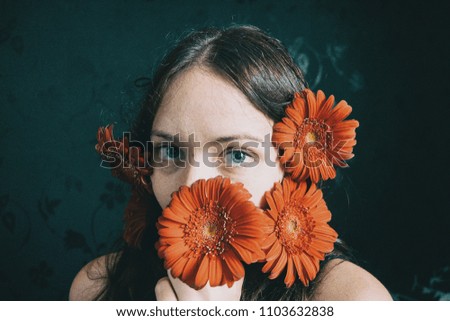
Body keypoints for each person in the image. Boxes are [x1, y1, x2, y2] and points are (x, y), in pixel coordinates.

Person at [69, 24, 392, 301]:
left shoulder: (354, 301)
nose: (192, 185)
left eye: (237, 154)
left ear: (292, 169)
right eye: (170, 151)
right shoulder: (97, 290)